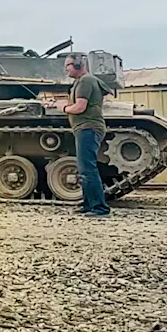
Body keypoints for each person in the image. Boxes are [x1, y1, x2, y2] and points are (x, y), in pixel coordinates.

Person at [45, 53, 111, 217]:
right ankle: (89, 205)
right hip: (86, 128)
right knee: (84, 168)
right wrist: (57, 103)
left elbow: (79, 107)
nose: (65, 69)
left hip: (88, 127)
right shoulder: (82, 81)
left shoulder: (85, 81)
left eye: (67, 65)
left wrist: (63, 108)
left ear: (78, 65)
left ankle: (100, 208)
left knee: (88, 168)